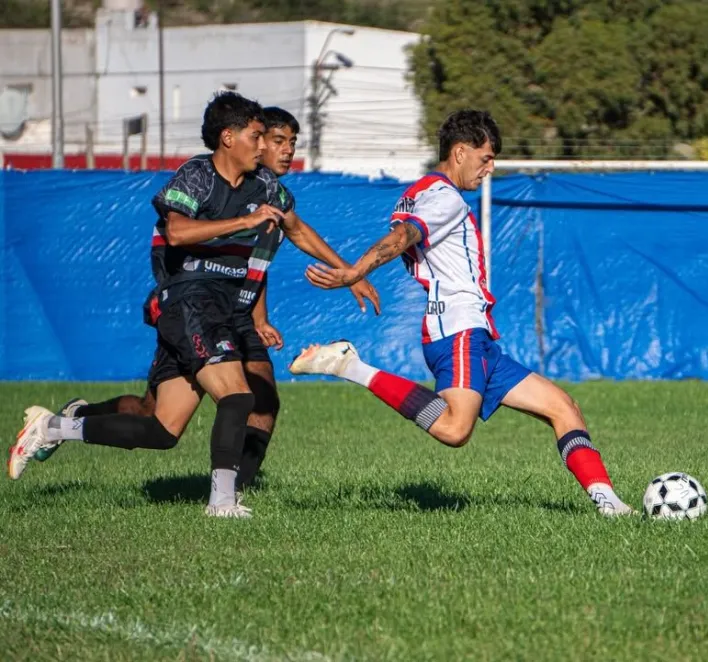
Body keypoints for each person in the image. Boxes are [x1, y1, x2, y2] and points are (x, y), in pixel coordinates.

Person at [9, 93, 373, 519]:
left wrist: (349, 271)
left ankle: (53, 427)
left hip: (225, 309)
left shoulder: (266, 186)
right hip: (189, 300)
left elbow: (294, 229)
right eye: (259, 136)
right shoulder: (196, 175)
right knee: (237, 395)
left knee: (163, 429)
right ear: (227, 137)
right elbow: (178, 231)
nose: (266, 146)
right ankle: (222, 503)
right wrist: (244, 221)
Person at [290, 109, 633, 517]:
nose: (490, 167)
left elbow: (408, 236)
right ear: (459, 152)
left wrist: (358, 271)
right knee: (455, 429)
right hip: (458, 332)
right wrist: (354, 272)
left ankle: (611, 506)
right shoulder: (444, 197)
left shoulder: (421, 193)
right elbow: (403, 237)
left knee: (563, 407)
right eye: (485, 158)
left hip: (475, 335)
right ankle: (351, 366)